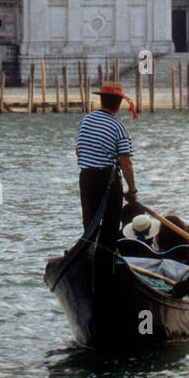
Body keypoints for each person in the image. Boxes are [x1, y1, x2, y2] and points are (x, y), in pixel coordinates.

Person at [75, 83, 138, 268]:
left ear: (101, 100)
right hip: (107, 180)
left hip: (86, 178)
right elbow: (125, 163)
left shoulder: (86, 121)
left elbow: (79, 151)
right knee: (110, 228)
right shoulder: (118, 127)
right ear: (118, 104)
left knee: (90, 223)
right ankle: (105, 266)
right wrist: (132, 190)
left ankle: (91, 261)